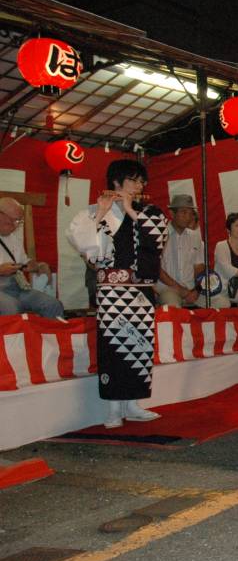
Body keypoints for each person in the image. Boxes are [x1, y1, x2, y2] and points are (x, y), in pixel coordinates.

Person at [66, 160, 167, 428]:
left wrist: (132, 211)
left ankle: (133, 403)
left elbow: (158, 239)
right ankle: (112, 409)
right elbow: (89, 249)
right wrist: (100, 213)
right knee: (113, 348)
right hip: (112, 292)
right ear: (116, 183)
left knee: (140, 347)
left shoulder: (148, 211)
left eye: (141, 181)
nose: (139, 186)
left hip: (141, 290)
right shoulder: (92, 210)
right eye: (133, 181)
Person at [156, 194, 228, 309]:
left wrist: (197, 289)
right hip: (168, 288)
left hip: (192, 289)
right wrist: (182, 291)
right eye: (184, 212)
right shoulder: (159, 234)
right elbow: (156, 269)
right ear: (172, 213)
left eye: (190, 213)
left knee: (222, 303)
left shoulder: (195, 237)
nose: (188, 217)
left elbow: (199, 268)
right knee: (173, 306)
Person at [0, 197, 64, 318]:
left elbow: (24, 263)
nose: (15, 226)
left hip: (16, 287)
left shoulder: (13, 238)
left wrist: (38, 266)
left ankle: (47, 336)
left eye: (19, 221)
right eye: (13, 220)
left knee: (53, 305)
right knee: (11, 308)